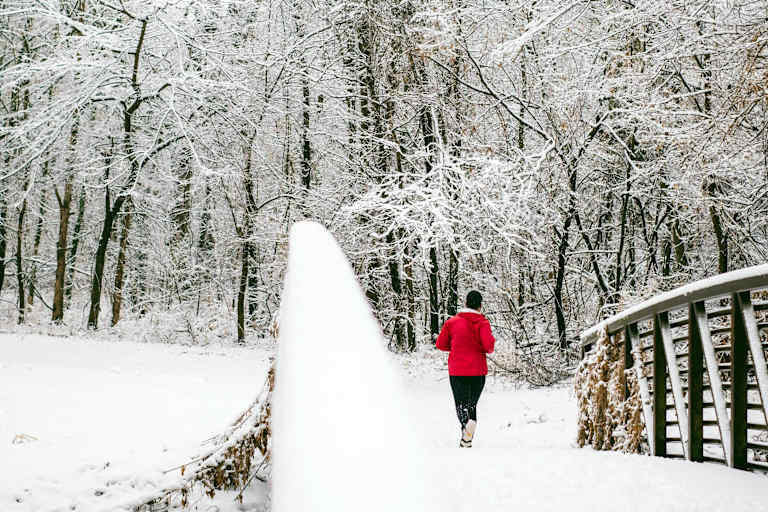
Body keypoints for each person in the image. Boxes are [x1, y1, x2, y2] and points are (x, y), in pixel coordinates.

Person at [436, 290, 496, 448]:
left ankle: (467, 431)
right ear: (480, 305)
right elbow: (489, 347)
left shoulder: (452, 323)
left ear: (465, 303)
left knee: (461, 404)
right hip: (478, 371)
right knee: (471, 404)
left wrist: (456, 347)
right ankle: (467, 439)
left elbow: (440, 344)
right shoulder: (483, 323)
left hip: (457, 371)